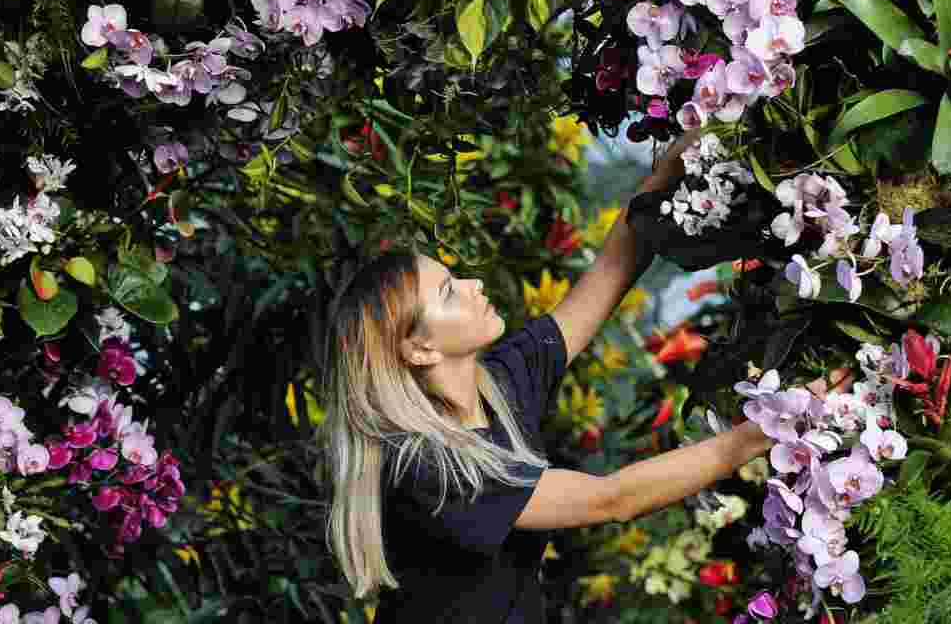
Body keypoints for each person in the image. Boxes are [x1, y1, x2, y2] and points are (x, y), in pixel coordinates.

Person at [318, 130, 774, 624]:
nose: (474, 285)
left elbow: (610, 275)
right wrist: (761, 432)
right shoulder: (426, 467)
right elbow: (611, 500)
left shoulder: (501, 385)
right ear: (420, 348)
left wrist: (674, 167)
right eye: (450, 292)